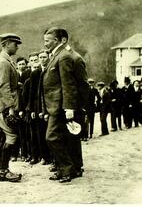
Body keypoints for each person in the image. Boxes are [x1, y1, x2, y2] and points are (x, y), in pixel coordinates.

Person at [42, 27, 89, 183]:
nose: (45, 44)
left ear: (57, 41)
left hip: (60, 107)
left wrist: (69, 107)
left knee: (52, 138)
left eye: (47, 41)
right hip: (56, 106)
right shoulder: (58, 55)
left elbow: (68, 84)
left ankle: (67, 169)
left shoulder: (64, 56)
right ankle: (67, 169)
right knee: (64, 138)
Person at [0, 33, 22, 182]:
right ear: (7, 43)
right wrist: (11, 108)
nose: (17, 47)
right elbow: (4, 86)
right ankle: (3, 172)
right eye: (15, 43)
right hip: (3, 105)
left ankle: (4, 170)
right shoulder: (3, 62)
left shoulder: (6, 60)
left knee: (8, 136)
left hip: (3, 104)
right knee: (11, 136)